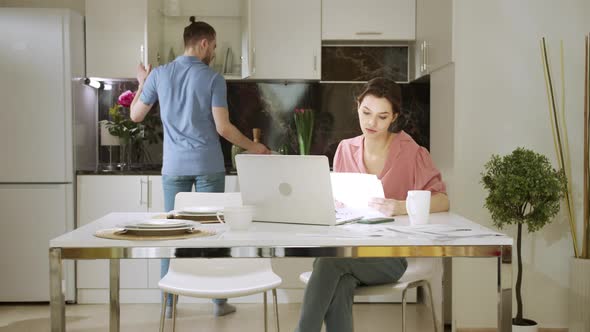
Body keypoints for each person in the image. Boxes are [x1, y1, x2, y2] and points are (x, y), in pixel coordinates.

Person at [130, 17, 270, 318]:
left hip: (174, 168)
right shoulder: (212, 78)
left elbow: (135, 116)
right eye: (214, 46)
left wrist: (143, 81)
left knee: (171, 235)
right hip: (208, 166)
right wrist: (255, 146)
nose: (214, 53)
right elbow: (223, 127)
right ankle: (218, 301)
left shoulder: (161, 75)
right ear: (203, 43)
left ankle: (169, 303)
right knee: (212, 234)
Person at [295, 77, 450, 332]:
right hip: (349, 249)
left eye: (382, 116)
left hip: (392, 256)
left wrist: (400, 206)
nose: (371, 123)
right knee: (339, 278)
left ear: (394, 117)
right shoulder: (345, 149)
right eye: (366, 113)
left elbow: (443, 200)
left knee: (328, 262)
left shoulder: (411, 152)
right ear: (358, 107)